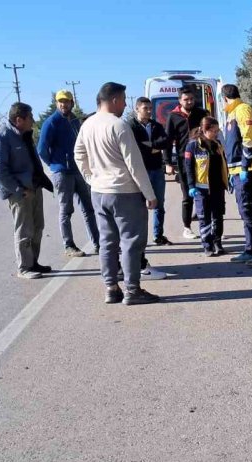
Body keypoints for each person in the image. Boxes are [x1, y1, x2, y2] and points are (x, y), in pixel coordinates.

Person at [74, 82, 160, 306]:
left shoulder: (88, 124)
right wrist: (149, 194)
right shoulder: (119, 125)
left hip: (100, 191)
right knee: (131, 242)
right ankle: (133, 290)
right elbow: (134, 164)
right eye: (123, 100)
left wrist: (91, 178)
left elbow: (78, 154)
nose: (125, 104)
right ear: (113, 100)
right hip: (124, 192)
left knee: (107, 242)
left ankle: (111, 288)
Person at [0, 102, 54, 279]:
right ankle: (24, 267)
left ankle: (33, 263)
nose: (32, 121)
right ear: (19, 119)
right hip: (20, 192)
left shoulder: (24, 135)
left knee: (37, 227)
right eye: (30, 117)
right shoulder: (1, 137)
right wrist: (18, 189)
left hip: (34, 188)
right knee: (24, 230)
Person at [36, 89, 100, 257]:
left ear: (72, 103)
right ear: (57, 103)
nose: (63, 104)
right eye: (60, 101)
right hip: (62, 173)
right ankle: (69, 245)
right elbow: (42, 149)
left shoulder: (75, 122)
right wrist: (55, 164)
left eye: (67, 101)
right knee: (66, 210)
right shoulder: (51, 123)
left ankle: (98, 243)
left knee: (89, 208)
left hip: (78, 170)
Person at [221, 84, 252, 268]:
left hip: (248, 168)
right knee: (244, 211)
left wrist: (244, 165)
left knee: (247, 211)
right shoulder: (232, 112)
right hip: (238, 170)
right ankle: (250, 249)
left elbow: (249, 139)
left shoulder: (243, 110)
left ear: (224, 98)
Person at [164, 85, 208, 241]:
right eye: (185, 99)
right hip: (184, 161)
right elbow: (168, 142)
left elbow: (211, 134)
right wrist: (168, 162)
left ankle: (210, 225)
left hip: (203, 159)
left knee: (206, 193)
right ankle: (187, 227)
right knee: (187, 195)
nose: (189, 101)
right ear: (179, 100)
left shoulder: (202, 114)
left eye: (191, 99)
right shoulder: (173, 117)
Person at [128, 97, 173, 245]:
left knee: (159, 204)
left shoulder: (156, 125)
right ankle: (139, 239)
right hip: (140, 171)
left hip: (156, 169)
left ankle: (158, 235)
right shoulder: (130, 126)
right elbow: (136, 147)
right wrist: (153, 147)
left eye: (149, 108)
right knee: (140, 207)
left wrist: (150, 145)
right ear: (137, 109)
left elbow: (166, 142)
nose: (148, 111)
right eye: (145, 108)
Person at [184, 117, 228, 257]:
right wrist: (191, 186)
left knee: (218, 216)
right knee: (204, 218)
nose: (216, 133)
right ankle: (207, 245)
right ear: (204, 129)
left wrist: (228, 177)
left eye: (217, 131)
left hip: (218, 187)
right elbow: (189, 167)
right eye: (213, 131)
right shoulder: (193, 145)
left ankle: (217, 243)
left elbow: (224, 162)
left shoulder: (218, 144)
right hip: (201, 188)